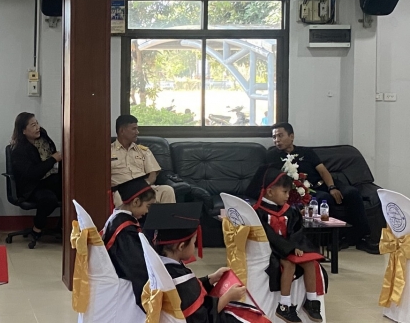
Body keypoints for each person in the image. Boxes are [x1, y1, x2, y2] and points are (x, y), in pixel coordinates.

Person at [266, 122, 375, 253]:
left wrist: (332, 187)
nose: (276, 140)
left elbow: (323, 171)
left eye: (280, 136)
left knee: (352, 193)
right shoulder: (272, 156)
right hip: (306, 190)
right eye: (274, 137)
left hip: (324, 183)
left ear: (291, 136)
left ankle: (363, 237)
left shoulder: (306, 152)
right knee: (325, 199)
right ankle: (338, 239)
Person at [144, 203, 250, 323]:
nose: (194, 247)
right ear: (181, 246)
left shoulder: (163, 267)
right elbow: (202, 318)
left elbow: (190, 292)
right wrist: (228, 297)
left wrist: (210, 279)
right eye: (194, 242)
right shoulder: (180, 280)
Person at [250, 164, 323, 323]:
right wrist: (289, 249)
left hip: (289, 247)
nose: (287, 196)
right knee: (288, 264)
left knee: (310, 262)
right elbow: (269, 236)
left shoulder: (289, 210)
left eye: (289, 192)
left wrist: (296, 246)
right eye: (284, 192)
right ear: (270, 192)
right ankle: (284, 305)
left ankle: (311, 301)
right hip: (273, 249)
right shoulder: (259, 212)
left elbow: (297, 230)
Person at [101, 176, 156, 311]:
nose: (147, 212)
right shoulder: (124, 230)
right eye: (147, 206)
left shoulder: (117, 217)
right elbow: (137, 267)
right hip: (123, 283)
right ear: (136, 202)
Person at [9, 112, 62, 242]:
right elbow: (32, 173)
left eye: (37, 123)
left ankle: (62, 226)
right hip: (30, 186)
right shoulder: (19, 150)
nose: (37, 127)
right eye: (33, 125)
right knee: (48, 199)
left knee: (71, 188)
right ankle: (37, 228)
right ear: (23, 131)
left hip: (46, 180)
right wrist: (53, 159)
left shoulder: (43, 137)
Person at [111, 115, 176, 204]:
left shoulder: (143, 151)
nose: (137, 132)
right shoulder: (108, 152)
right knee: (118, 196)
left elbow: (153, 174)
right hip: (121, 190)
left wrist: (144, 185)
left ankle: (166, 214)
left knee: (167, 190)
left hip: (143, 188)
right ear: (122, 131)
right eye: (134, 129)